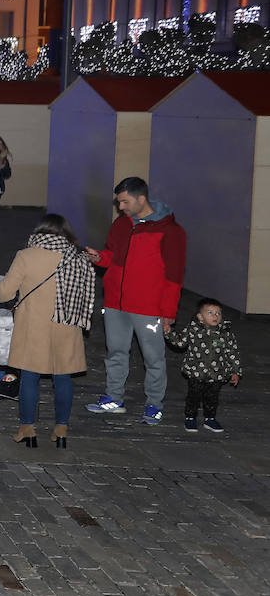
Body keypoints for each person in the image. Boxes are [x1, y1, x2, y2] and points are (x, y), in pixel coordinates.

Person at [83, 177, 187, 424]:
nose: (121, 207)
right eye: (119, 202)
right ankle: (114, 398)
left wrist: (169, 312)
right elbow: (112, 256)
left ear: (142, 199)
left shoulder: (171, 231)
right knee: (116, 352)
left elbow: (174, 276)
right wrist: (100, 258)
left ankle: (154, 405)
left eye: (124, 201)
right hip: (115, 303)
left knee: (153, 358)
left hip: (148, 308)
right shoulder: (121, 224)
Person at [0, 214, 96, 449]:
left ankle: (27, 428)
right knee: (63, 377)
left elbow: (6, 292)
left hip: (33, 326)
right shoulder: (76, 256)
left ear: (39, 232)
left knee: (29, 377)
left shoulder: (27, 255)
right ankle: (61, 429)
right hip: (66, 325)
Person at [164, 298, 241, 433]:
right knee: (193, 396)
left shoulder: (226, 333)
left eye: (218, 313)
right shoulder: (193, 330)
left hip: (217, 373)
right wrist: (169, 332)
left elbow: (232, 353)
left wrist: (235, 371)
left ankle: (210, 419)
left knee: (212, 398)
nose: (215, 316)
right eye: (210, 313)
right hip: (196, 372)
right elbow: (181, 343)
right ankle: (190, 417)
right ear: (200, 317)